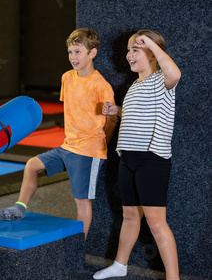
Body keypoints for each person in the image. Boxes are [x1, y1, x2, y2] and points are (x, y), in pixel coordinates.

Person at [0, 28, 117, 239]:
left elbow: (111, 120)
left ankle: (79, 247)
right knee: (32, 165)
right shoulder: (67, 77)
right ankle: (19, 209)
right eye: (70, 52)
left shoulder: (101, 86)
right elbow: (73, 111)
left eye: (78, 52)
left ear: (92, 53)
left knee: (81, 202)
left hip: (88, 150)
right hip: (67, 146)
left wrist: (99, 146)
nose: (73, 57)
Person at [93, 30, 181, 279]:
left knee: (156, 223)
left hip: (151, 160)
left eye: (136, 49)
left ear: (153, 54)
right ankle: (120, 265)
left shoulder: (162, 79)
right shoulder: (134, 85)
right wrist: (117, 110)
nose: (129, 55)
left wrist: (152, 43)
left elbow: (176, 73)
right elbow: (136, 115)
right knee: (130, 215)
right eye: (128, 50)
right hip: (128, 158)